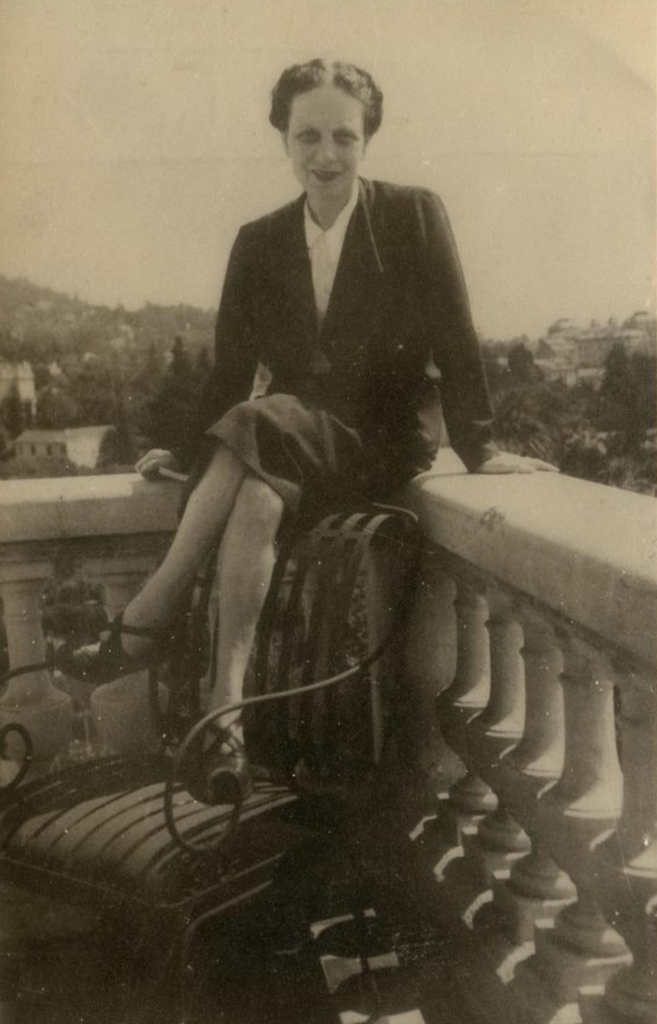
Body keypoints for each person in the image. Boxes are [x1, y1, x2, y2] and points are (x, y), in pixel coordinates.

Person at [56, 58, 556, 794]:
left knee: (262, 426)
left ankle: (150, 613)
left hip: (380, 439)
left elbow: (456, 337)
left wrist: (480, 447)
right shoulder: (257, 241)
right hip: (283, 443)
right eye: (307, 137)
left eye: (343, 138)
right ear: (283, 142)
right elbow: (231, 372)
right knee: (256, 496)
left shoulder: (412, 214)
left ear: (366, 141)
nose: (325, 155)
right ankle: (225, 721)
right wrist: (192, 450)